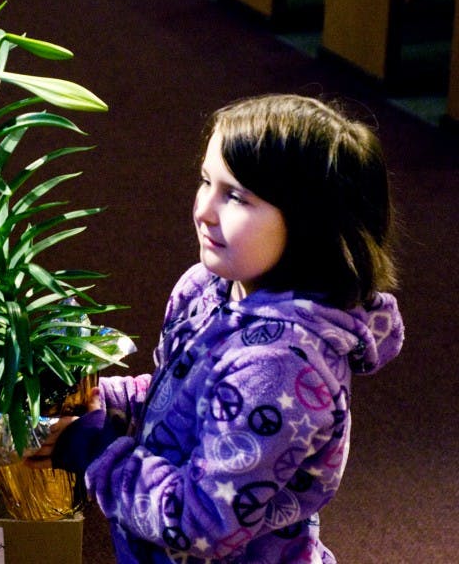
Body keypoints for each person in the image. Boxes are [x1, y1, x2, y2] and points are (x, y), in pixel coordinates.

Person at [28, 93, 404, 563]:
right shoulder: (209, 287)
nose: (204, 210)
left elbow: (200, 522)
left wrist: (94, 447)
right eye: (206, 181)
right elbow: (179, 397)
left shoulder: (280, 368)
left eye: (235, 196)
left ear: (310, 222)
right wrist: (106, 400)